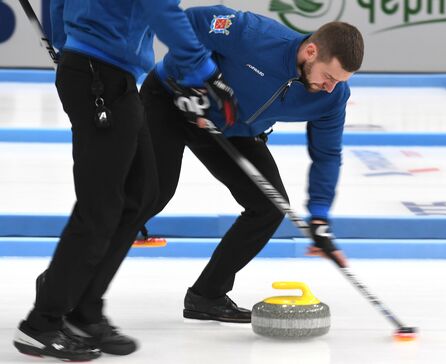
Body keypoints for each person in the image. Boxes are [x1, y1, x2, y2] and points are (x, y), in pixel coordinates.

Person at [13, 0, 237, 361]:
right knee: (100, 208)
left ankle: (84, 312)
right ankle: (43, 322)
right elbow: (160, 8)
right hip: (99, 73)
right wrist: (205, 73)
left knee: (143, 194)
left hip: (111, 75)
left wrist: (64, 39)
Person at [139, 5, 364, 324]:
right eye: (328, 76)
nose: (331, 87)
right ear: (311, 51)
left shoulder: (332, 97)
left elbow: (326, 154)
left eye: (339, 81)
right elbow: (190, 23)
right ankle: (69, 285)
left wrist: (320, 217)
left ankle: (207, 296)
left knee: (270, 206)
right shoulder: (256, 35)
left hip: (233, 127)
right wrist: (196, 77)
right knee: (153, 194)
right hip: (173, 100)